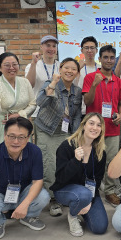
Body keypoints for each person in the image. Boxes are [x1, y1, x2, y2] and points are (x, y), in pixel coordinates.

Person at [0, 117, 50, 240]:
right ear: (5, 135)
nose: (16, 141)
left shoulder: (35, 151)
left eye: (21, 137)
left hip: (22, 192)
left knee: (44, 197)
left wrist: (25, 205)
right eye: (11, 136)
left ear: (28, 138)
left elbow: (38, 181)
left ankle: (27, 216)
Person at [35, 57, 82, 217]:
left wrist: (75, 136)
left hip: (65, 131)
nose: (69, 71)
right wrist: (53, 84)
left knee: (65, 164)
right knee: (49, 164)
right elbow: (40, 102)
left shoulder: (77, 91)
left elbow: (75, 116)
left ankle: (62, 194)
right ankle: (52, 199)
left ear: (77, 73)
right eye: (66, 68)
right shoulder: (50, 83)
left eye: (73, 69)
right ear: (60, 69)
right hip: (47, 129)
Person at [51, 113, 108, 237]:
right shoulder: (67, 146)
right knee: (83, 194)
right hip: (64, 190)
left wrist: (90, 200)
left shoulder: (100, 152)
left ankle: (81, 205)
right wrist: (76, 161)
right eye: (91, 123)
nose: (95, 128)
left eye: (99, 125)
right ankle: (73, 215)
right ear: (83, 126)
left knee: (100, 227)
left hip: (88, 192)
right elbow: (61, 178)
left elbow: (97, 180)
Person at [83, 45, 121, 207]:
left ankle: (109, 191)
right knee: (92, 160)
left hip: (113, 128)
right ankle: (90, 191)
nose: (109, 60)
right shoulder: (91, 77)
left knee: (112, 161)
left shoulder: (118, 81)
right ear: (99, 59)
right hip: (93, 129)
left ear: (115, 60)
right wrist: (94, 84)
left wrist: (120, 115)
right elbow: (87, 101)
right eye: (105, 57)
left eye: (111, 57)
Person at [0, 52, 36, 146]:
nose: (12, 68)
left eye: (15, 64)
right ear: (0, 68)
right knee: (2, 156)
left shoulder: (25, 82)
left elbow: (33, 104)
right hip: (1, 126)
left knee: (23, 155)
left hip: (21, 125)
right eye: (7, 65)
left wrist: (19, 115)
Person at [25, 35, 61, 118]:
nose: (51, 49)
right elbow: (29, 85)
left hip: (56, 114)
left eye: (54, 46)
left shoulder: (61, 66)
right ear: (41, 47)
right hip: (37, 113)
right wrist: (33, 63)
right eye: (48, 45)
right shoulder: (33, 66)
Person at [77, 36, 101, 115]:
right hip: (81, 110)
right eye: (86, 48)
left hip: (97, 109)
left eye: (92, 48)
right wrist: (78, 69)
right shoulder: (77, 68)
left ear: (96, 50)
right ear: (82, 50)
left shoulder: (100, 68)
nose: (89, 50)